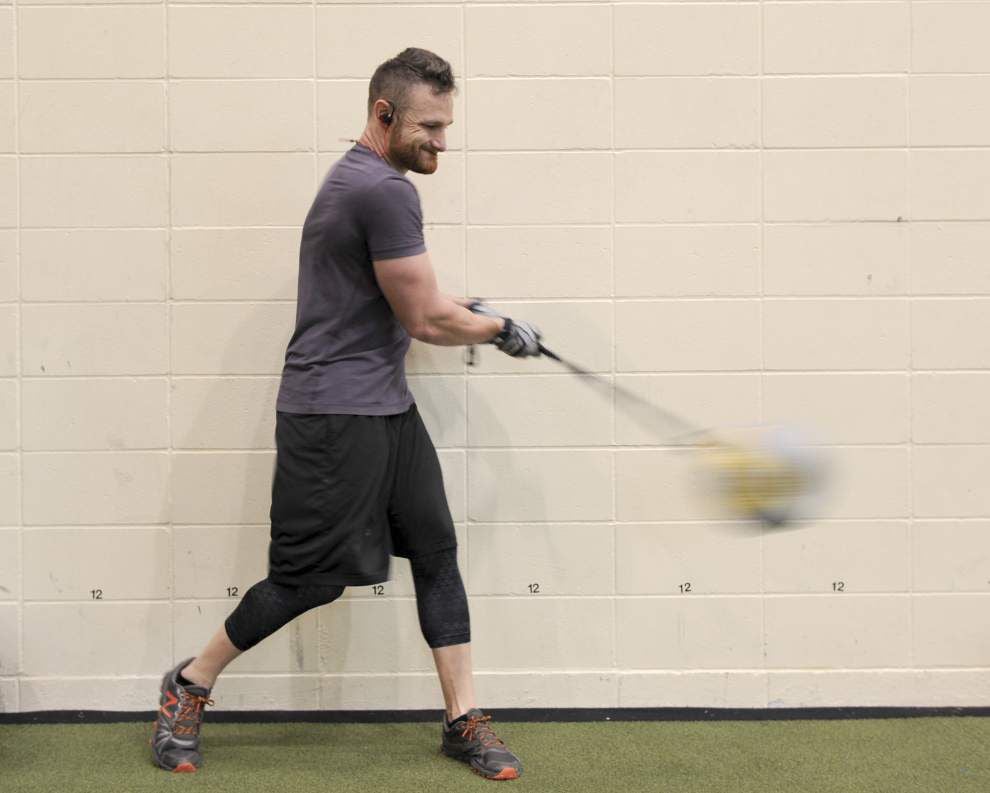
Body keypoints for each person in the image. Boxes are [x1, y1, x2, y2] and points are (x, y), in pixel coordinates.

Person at [150, 47, 541, 781]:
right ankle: (189, 684)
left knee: (435, 550)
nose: (442, 142)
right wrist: (496, 329)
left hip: (385, 406)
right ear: (383, 114)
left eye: (448, 125)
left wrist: (472, 312)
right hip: (331, 414)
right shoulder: (381, 190)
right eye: (429, 126)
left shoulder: (368, 183)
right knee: (309, 580)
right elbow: (424, 318)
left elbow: (409, 299)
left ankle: (462, 719)